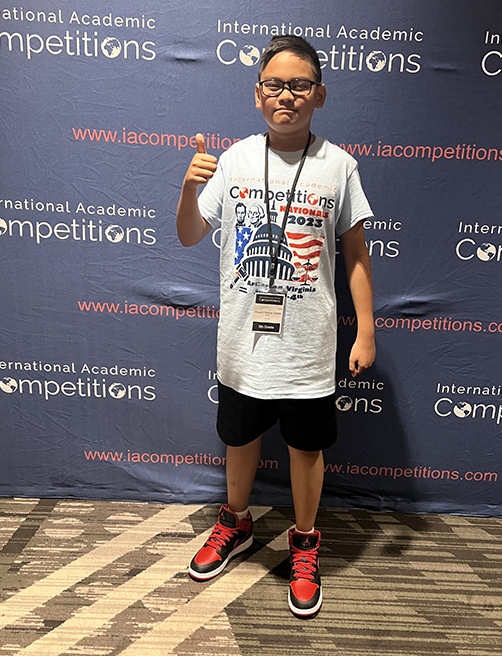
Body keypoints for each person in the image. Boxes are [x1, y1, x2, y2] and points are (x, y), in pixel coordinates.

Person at [176, 35, 374, 618]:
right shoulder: (233, 159)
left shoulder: (339, 166)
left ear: (320, 95)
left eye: (299, 85)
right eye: (273, 84)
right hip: (242, 342)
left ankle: (305, 541)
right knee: (239, 438)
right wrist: (188, 188)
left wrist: (364, 331)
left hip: (309, 347)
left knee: (306, 448)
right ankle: (235, 521)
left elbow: (357, 256)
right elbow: (190, 233)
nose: (285, 95)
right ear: (257, 93)